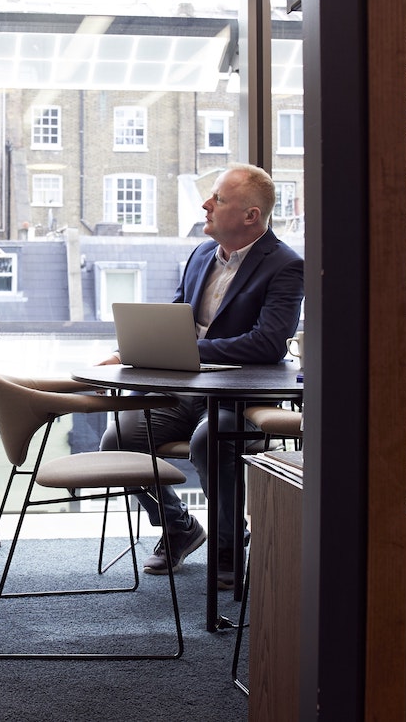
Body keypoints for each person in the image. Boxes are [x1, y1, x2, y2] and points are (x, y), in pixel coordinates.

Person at [98, 163, 303, 589]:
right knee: (119, 440)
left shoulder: (285, 265)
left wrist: (188, 351)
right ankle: (178, 526)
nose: (206, 205)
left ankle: (229, 546)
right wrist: (134, 349)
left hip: (241, 398)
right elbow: (176, 320)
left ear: (251, 215)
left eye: (219, 199)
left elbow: (266, 343)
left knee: (209, 442)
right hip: (186, 391)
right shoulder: (199, 256)